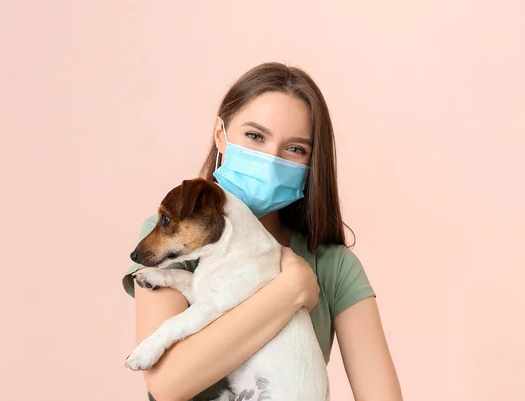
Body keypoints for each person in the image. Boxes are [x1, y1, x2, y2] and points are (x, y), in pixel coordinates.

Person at [123, 62, 403, 401]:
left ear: (312, 164)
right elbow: (168, 384)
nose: (271, 161)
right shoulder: (170, 237)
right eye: (255, 136)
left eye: (295, 149)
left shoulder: (335, 266)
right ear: (220, 135)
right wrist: (290, 291)